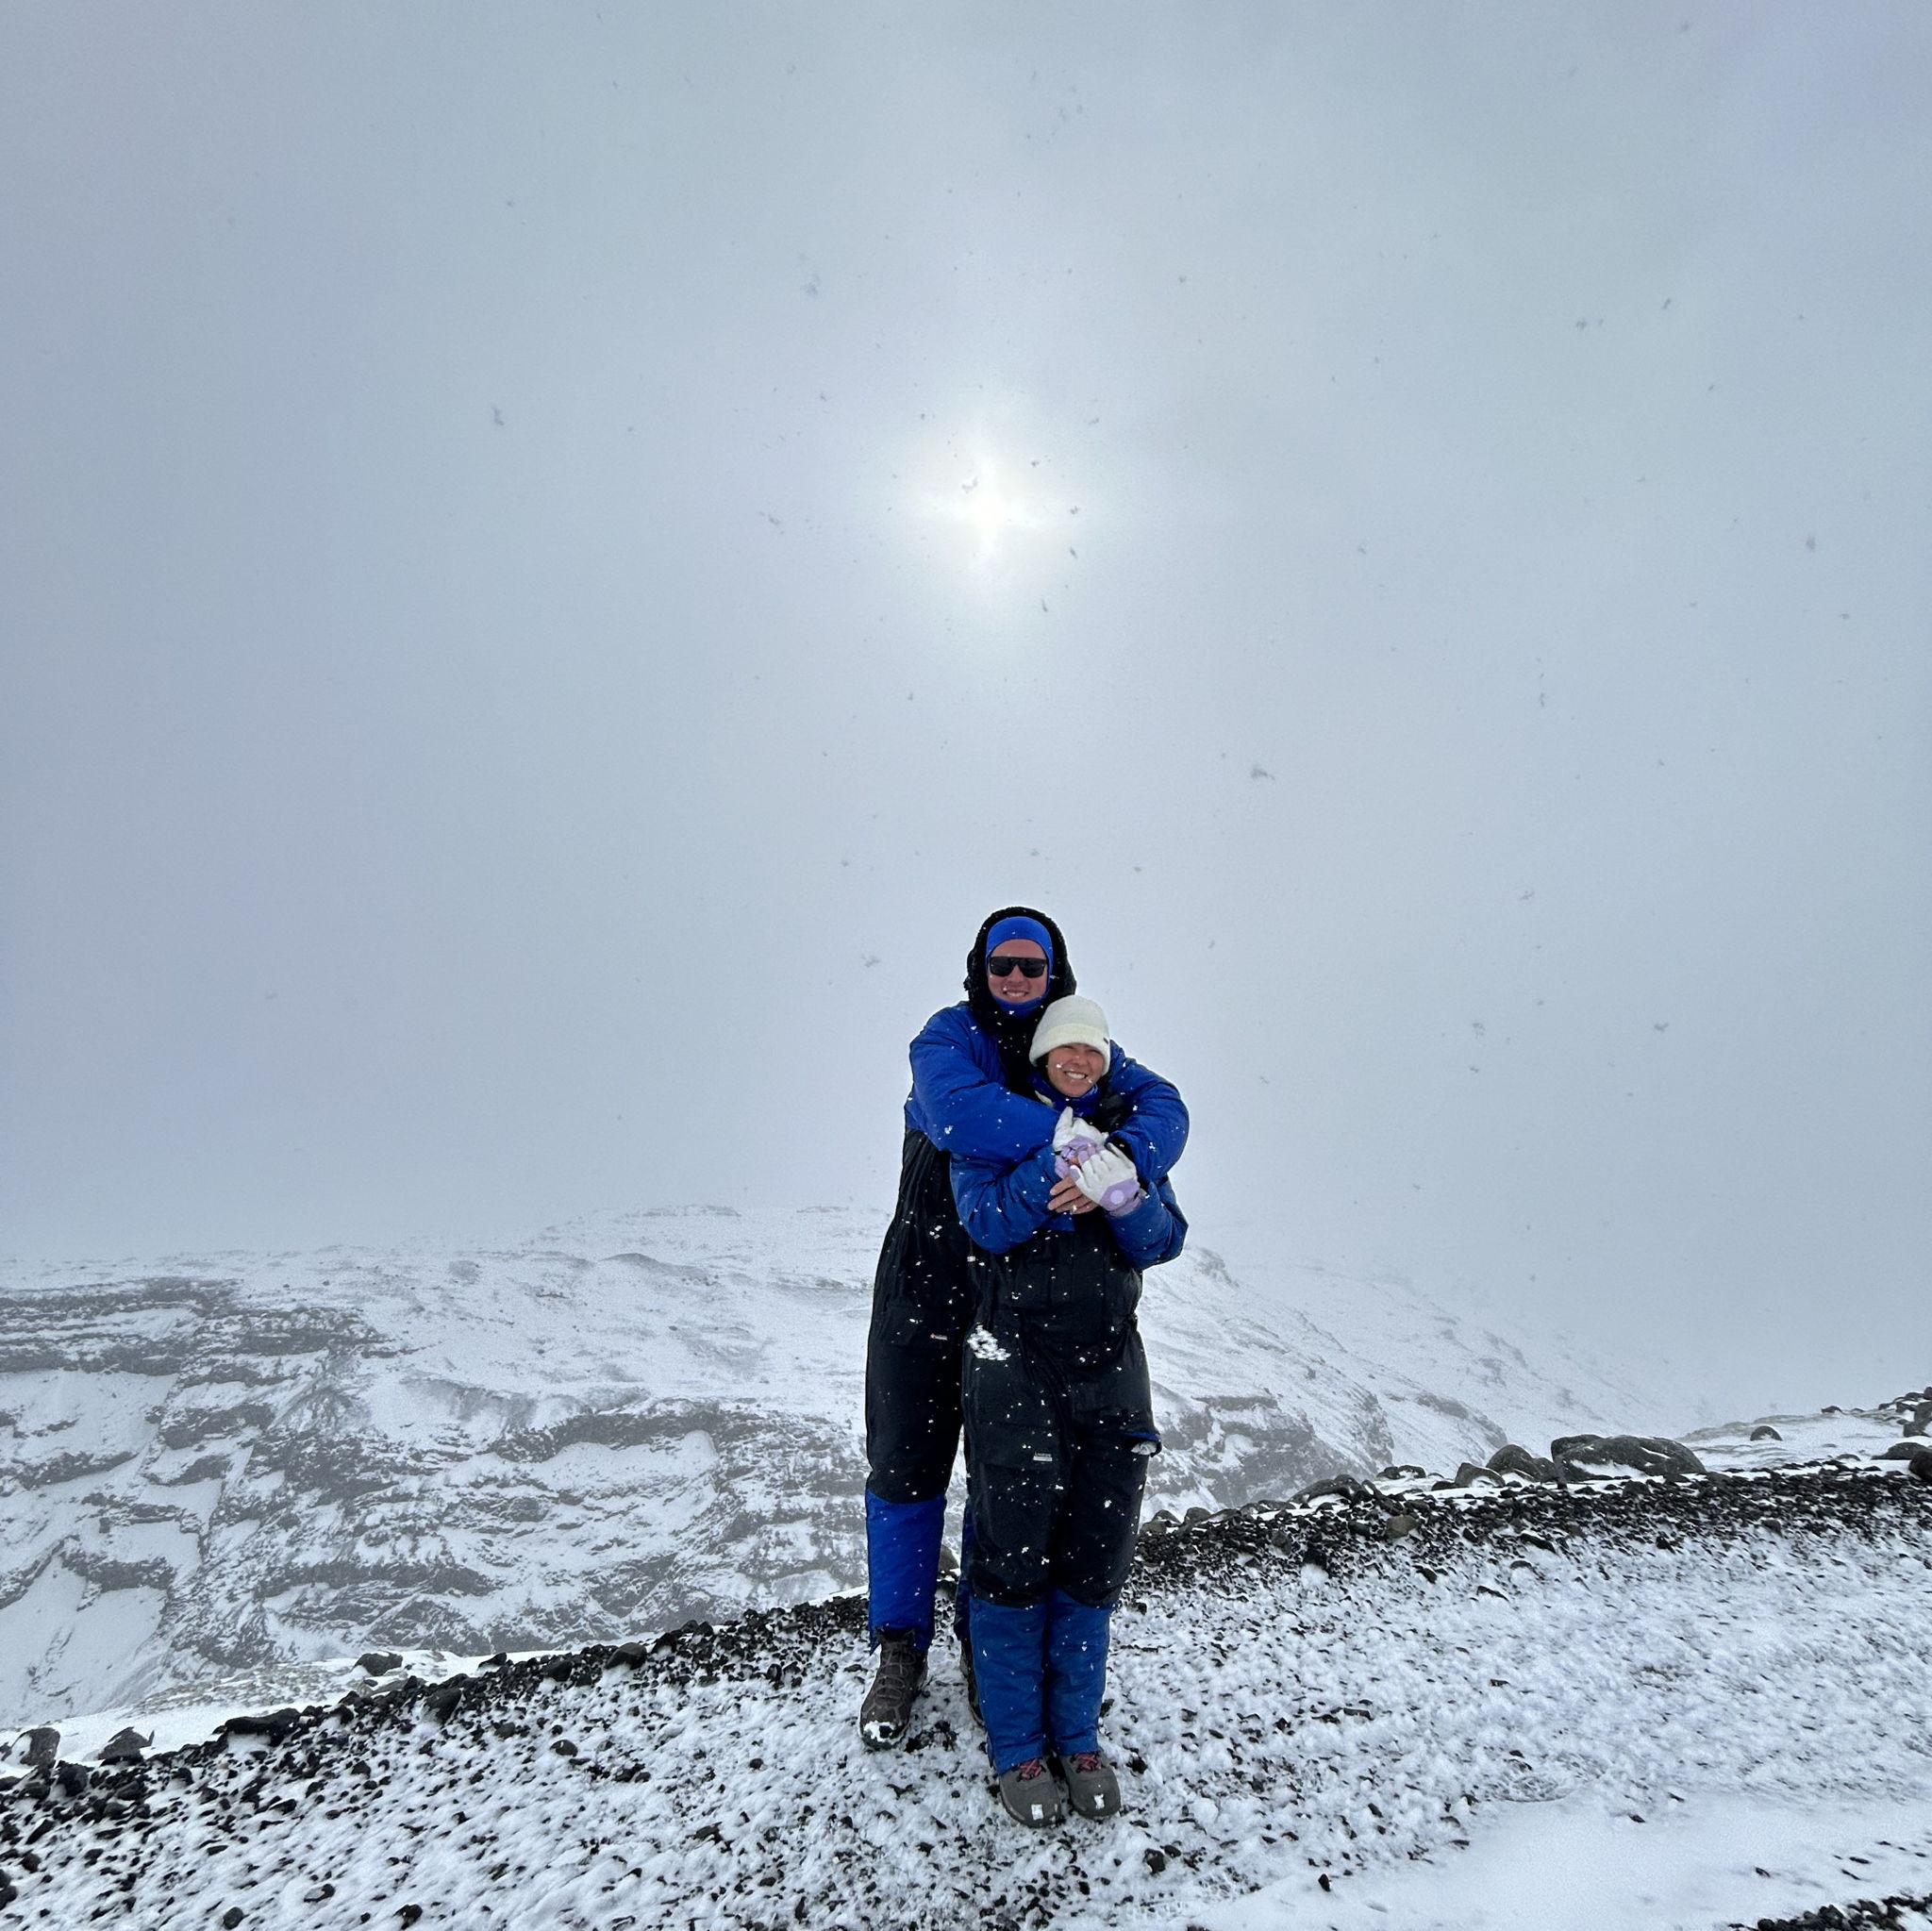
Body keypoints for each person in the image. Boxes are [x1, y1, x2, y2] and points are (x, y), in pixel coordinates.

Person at [860, 910, 1188, 1747]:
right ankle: (900, 1649)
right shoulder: (950, 1036)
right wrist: (1086, 1143)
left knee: (1006, 1477)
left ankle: (983, 1635)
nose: (1013, 979)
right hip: (923, 1290)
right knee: (905, 1466)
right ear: (980, 967)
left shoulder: (1067, 1045)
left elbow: (1168, 1107)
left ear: (1055, 972)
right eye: (1000, 964)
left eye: (1030, 966)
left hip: (1005, 1305)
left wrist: (1128, 1163)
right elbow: (961, 1119)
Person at [948, 993, 1186, 1826]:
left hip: (1112, 1368)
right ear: (1043, 1056)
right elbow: (982, 1222)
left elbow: (1163, 1240)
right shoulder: (1000, 1131)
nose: (1077, 1062)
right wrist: (1054, 1170)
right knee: (1013, 1554)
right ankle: (1018, 1742)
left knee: (1097, 1553)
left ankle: (1077, 1734)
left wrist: (1124, 1194)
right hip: (1014, 1363)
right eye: (1064, 1050)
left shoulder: (1124, 1132)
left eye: (1091, 1051)